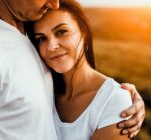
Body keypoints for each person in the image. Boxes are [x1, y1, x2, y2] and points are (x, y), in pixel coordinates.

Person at [0, 0, 144, 139]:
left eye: (61, 32)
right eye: (42, 39)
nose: (54, 4)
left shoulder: (24, 31)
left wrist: (121, 98)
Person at [25, 0, 144, 139]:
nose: (51, 46)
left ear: (84, 33)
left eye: (61, 32)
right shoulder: (41, 90)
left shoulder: (113, 100)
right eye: (41, 39)